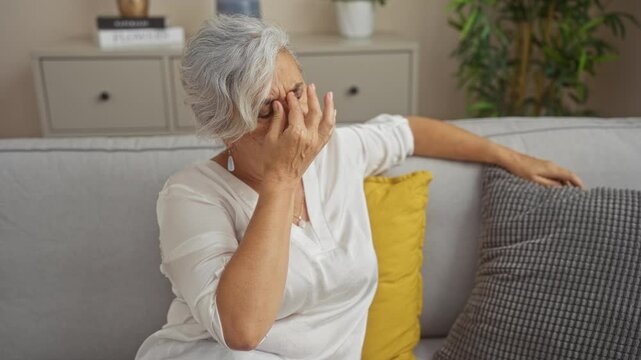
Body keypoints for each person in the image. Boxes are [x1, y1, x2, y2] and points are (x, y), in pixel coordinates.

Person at [135, 14, 585, 360]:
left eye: (297, 94)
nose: (297, 120)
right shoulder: (190, 195)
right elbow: (242, 330)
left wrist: (513, 157)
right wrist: (280, 179)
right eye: (268, 111)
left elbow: (408, 131)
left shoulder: (338, 152)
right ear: (226, 128)